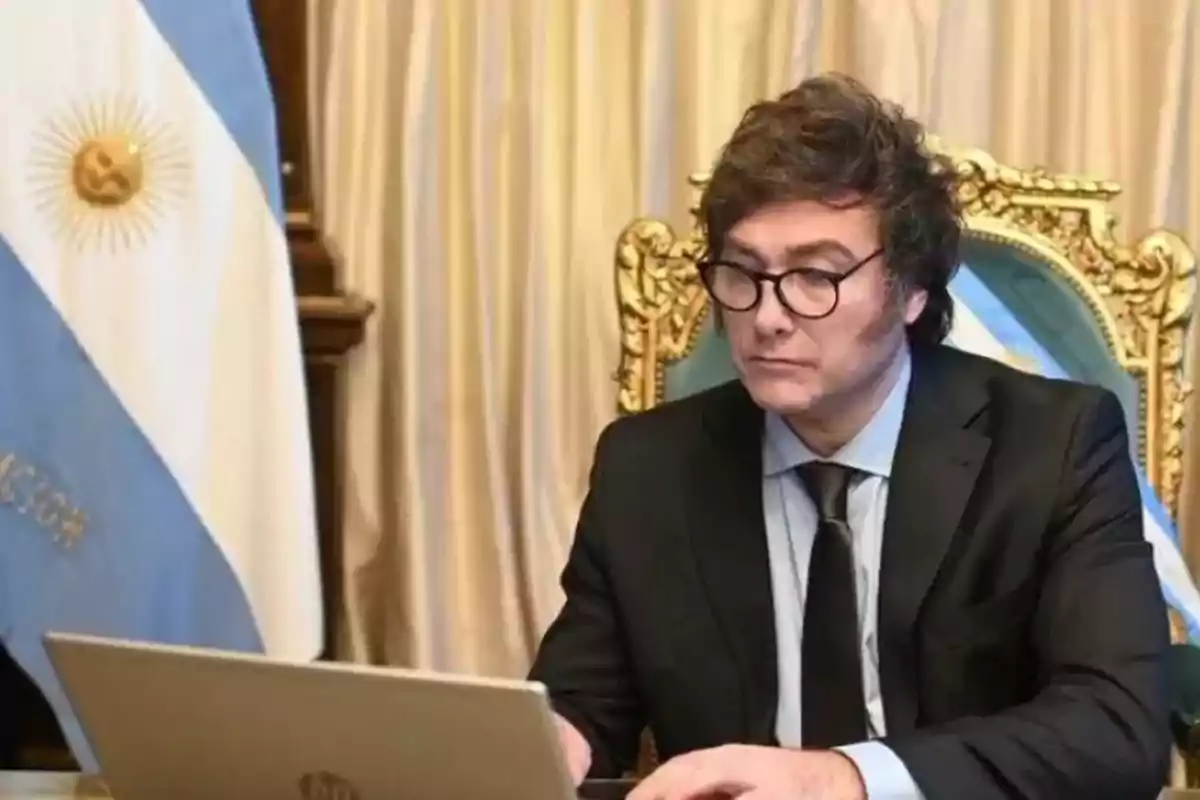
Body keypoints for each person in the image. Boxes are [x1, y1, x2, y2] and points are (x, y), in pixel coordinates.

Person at [527, 73, 1171, 800]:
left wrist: (844, 779)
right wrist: (550, 743)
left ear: (912, 289)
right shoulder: (647, 468)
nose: (768, 315)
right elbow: (582, 704)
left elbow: (1114, 726)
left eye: (816, 275)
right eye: (743, 272)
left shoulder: (1052, 446)